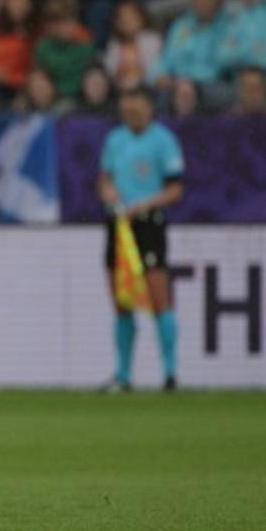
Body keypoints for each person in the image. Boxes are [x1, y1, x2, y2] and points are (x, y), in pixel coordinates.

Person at [97, 86, 184, 392]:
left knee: (159, 298)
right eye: (127, 109)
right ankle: (123, 375)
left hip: (148, 224)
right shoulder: (115, 139)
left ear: (149, 108)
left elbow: (176, 189)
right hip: (119, 226)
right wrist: (107, 191)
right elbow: (104, 178)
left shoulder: (163, 140)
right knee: (122, 300)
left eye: (136, 108)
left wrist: (145, 204)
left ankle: (170, 374)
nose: (131, 113)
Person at [153, 0, 232, 107]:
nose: (203, 1)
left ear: (219, 0)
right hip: (177, 83)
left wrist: (188, 81)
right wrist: (160, 75)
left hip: (212, 84)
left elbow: (221, 65)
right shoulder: (180, 25)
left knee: (187, 92)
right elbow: (167, 58)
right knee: (157, 94)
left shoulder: (229, 27)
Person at [34, 0, 99, 100]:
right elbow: (39, 74)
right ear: (54, 25)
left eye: (73, 21)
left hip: (80, 100)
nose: (71, 27)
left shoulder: (85, 47)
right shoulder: (44, 47)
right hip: (51, 99)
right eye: (65, 23)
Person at [104, 0, 163, 91]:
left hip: (147, 88)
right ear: (117, 23)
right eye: (123, 18)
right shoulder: (114, 44)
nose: (127, 21)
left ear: (141, 18)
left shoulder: (152, 40)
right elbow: (109, 72)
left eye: (132, 16)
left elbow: (155, 71)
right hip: (120, 90)